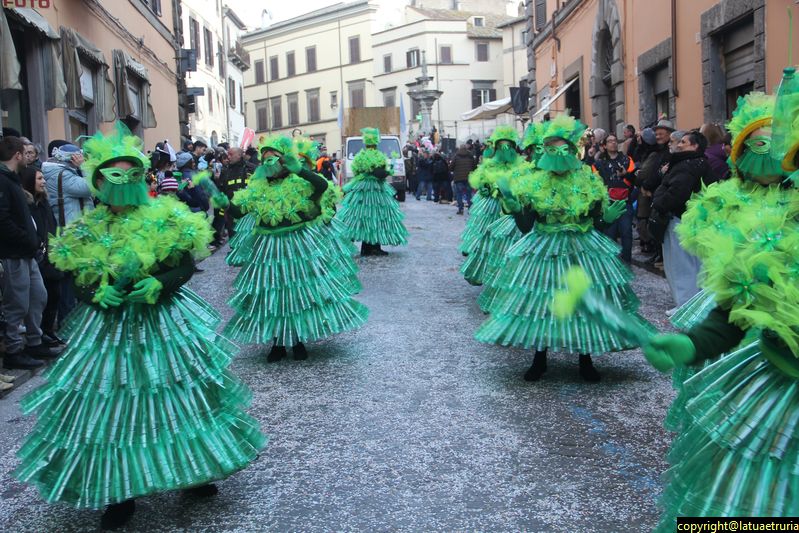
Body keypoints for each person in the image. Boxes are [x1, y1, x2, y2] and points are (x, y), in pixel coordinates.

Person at [14, 122, 266, 530]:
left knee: (180, 396)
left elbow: (185, 263)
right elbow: (76, 276)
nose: (127, 182)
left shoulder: (167, 216)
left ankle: (194, 470)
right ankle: (120, 490)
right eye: (116, 175)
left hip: (163, 323)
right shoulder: (85, 229)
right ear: (98, 182)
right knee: (114, 405)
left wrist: (160, 281)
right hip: (109, 331)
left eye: (134, 173)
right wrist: (96, 294)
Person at [640, 89, 797, 529]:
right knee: (750, 492)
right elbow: (734, 310)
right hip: (775, 384)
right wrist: (692, 344)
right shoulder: (777, 236)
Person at [475, 114, 635, 383]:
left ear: (573, 152)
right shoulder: (533, 183)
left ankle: (586, 360)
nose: (558, 158)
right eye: (552, 151)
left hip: (581, 248)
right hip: (545, 248)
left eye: (564, 150)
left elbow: (594, 220)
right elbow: (527, 226)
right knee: (544, 303)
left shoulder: (588, 182)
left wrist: (604, 219)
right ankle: (540, 360)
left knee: (584, 303)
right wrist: (515, 210)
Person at [224, 134, 368, 361]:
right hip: (268, 249)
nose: (269, 163)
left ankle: (298, 340)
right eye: (265, 159)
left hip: (296, 248)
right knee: (273, 295)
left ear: (284, 160)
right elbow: (240, 211)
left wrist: (300, 170)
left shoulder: (299, 181)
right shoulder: (257, 187)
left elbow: (321, 185)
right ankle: (278, 344)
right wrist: (224, 204)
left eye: (274, 158)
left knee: (297, 294)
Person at [0, 136, 50, 370]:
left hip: (26, 252)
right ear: (17, 155)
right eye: (25, 152)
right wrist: (26, 238)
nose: (30, 157)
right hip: (14, 253)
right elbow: (4, 220)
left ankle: (34, 341)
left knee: (37, 296)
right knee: (17, 304)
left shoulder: (12, 179)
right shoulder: (3, 180)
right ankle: (13, 350)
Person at [651, 129, 712, 308]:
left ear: (695, 146)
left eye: (683, 142)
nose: (679, 145)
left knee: (680, 266)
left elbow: (677, 192)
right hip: (693, 221)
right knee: (694, 265)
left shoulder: (687, 164)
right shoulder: (699, 163)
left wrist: (658, 202)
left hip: (679, 220)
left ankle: (685, 307)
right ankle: (691, 306)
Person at [460, 125, 528, 285]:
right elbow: (481, 181)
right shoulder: (489, 165)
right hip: (492, 208)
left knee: (507, 244)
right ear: (496, 148)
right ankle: (487, 274)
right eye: (502, 146)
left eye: (509, 146)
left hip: (511, 212)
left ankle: (506, 277)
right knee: (490, 241)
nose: (505, 150)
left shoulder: (520, 166)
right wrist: (486, 188)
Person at [336, 128, 409, 256]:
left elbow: (357, 172)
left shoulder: (360, 156)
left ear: (366, 143)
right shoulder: (378, 156)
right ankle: (374, 247)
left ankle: (366, 247)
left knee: (363, 216)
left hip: (362, 189)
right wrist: (389, 171)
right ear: (376, 143)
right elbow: (379, 174)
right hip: (375, 190)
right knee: (376, 216)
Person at [20, 166, 64, 348]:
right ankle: (38, 334)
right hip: (37, 256)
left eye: (43, 178)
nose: (43, 182)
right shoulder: (26, 205)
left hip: (50, 254)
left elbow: (51, 225)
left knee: (54, 294)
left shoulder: (43, 202)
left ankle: (47, 331)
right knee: (41, 297)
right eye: (39, 179)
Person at [593, 133, 636, 263]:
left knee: (626, 233)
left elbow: (634, 179)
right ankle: (611, 263)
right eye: (610, 141)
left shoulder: (627, 160)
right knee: (609, 234)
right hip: (608, 203)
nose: (613, 143)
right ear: (604, 145)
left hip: (625, 202)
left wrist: (625, 176)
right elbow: (596, 183)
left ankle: (627, 261)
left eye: (615, 140)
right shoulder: (598, 164)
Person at [42, 143, 93, 227]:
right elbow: (90, 187)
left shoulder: (61, 171)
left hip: (72, 225)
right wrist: (84, 166)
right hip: (70, 229)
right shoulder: (63, 175)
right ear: (73, 159)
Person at [450, 145, 476, 215]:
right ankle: (470, 209)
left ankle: (460, 209)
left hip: (458, 179)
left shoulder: (456, 156)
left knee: (459, 194)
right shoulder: (470, 156)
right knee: (468, 194)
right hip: (468, 178)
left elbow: (451, 167)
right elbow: (474, 167)